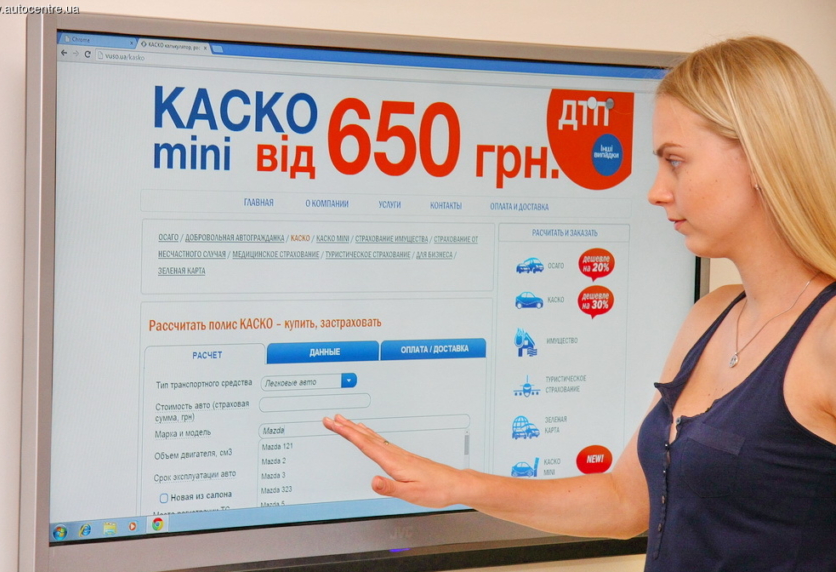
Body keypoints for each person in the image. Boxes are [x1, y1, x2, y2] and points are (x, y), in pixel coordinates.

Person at [324, 36, 836, 571]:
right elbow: (626, 502)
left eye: (675, 161)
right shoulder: (713, 315)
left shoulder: (827, 337)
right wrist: (456, 484)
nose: (657, 191)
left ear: (759, 158)